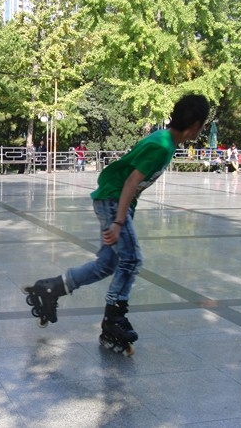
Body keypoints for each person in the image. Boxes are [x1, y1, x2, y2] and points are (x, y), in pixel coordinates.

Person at [23, 94, 210, 355]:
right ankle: (114, 318)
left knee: (107, 263)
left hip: (114, 201)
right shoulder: (162, 145)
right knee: (131, 260)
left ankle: (52, 287)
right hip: (113, 201)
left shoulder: (166, 141)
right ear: (195, 126)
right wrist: (119, 221)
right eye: (202, 126)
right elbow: (132, 182)